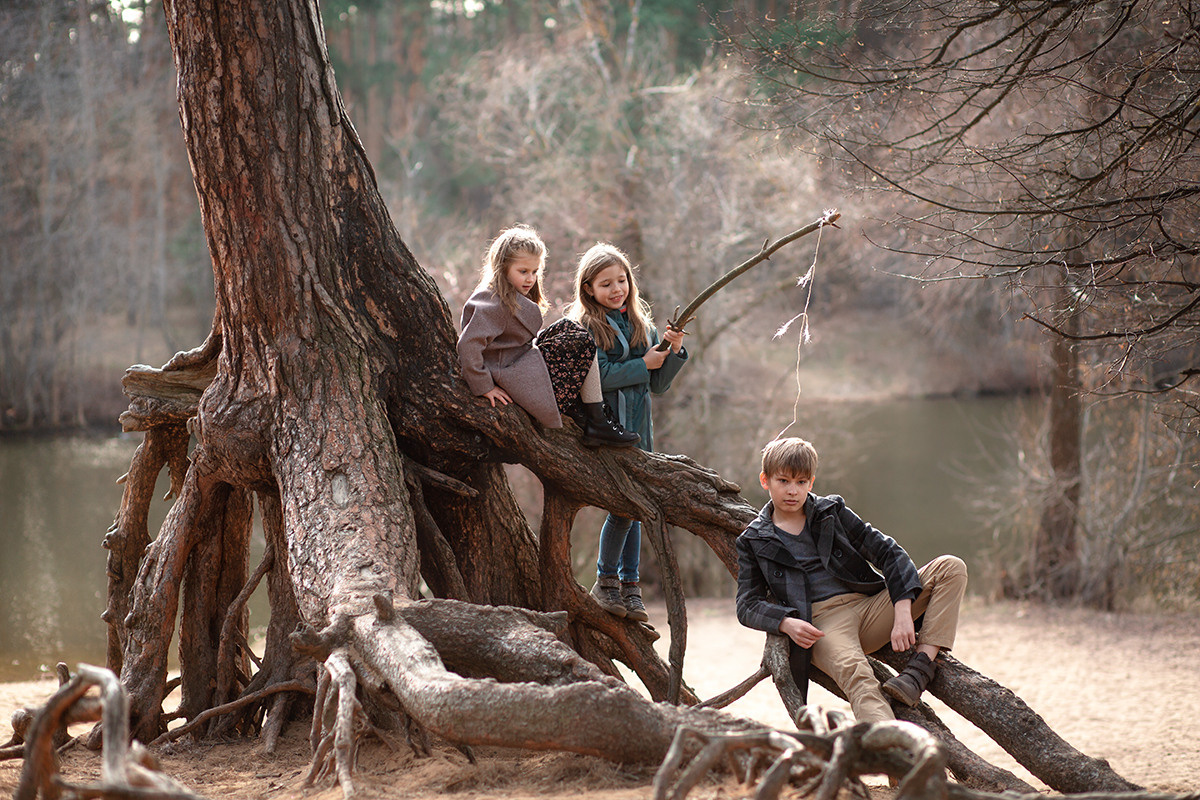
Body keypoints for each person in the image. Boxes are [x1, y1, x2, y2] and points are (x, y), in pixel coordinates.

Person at [735, 437, 967, 722]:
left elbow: (888, 552)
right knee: (860, 680)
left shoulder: (831, 512)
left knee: (950, 568)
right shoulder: (753, 540)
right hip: (822, 624)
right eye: (783, 481)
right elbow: (747, 604)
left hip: (870, 607)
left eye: (801, 482)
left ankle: (919, 671)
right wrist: (785, 622)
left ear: (811, 483)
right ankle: (891, 745)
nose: (793, 490)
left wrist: (902, 609)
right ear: (765, 480)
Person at [568, 243, 689, 622]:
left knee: (634, 510)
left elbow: (658, 385)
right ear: (588, 289)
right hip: (607, 429)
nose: (617, 289)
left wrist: (674, 351)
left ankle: (629, 587)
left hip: (639, 434)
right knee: (622, 508)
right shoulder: (587, 327)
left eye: (621, 280)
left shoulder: (641, 325)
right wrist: (643, 364)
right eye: (606, 284)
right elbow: (599, 377)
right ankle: (607, 581)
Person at [457, 225, 639, 447]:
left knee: (569, 328)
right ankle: (594, 419)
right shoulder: (491, 301)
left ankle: (594, 416)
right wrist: (484, 385)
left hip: (519, 365)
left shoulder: (507, 296)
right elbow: (468, 344)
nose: (530, 279)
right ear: (502, 268)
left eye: (535, 272)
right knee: (579, 342)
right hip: (511, 375)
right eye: (523, 272)